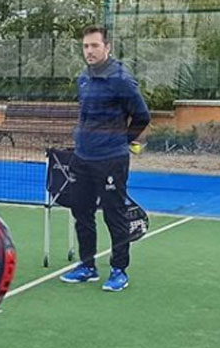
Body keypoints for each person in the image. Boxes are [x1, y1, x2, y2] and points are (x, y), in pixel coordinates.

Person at [60, 26, 151, 292]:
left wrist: (121, 141)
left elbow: (142, 115)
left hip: (112, 160)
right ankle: (87, 266)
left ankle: (119, 270)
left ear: (107, 47)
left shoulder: (121, 79)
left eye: (94, 46)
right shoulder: (84, 78)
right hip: (82, 158)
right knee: (82, 213)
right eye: (86, 46)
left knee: (114, 215)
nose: (89, 50)